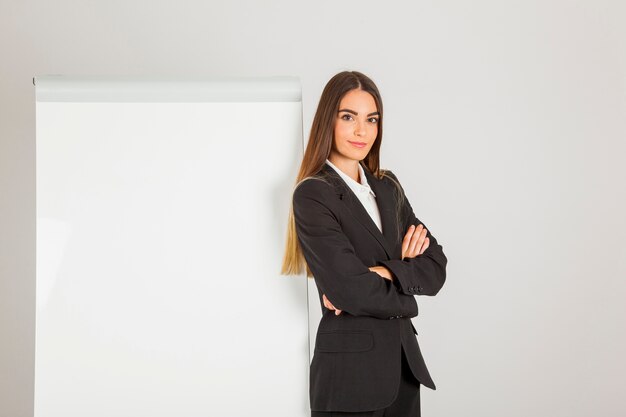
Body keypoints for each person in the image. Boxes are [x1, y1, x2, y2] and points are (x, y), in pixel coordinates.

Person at [281, 70, 447, 417]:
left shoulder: (388, 187)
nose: (362, 131)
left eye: (371, 119)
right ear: (328, 120)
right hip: (350, 379)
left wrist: (381, 272)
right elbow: (349, 290)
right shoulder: (313, 193)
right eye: (348, 117)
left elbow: (435, 268)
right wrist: (402, 279)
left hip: (403, 370)